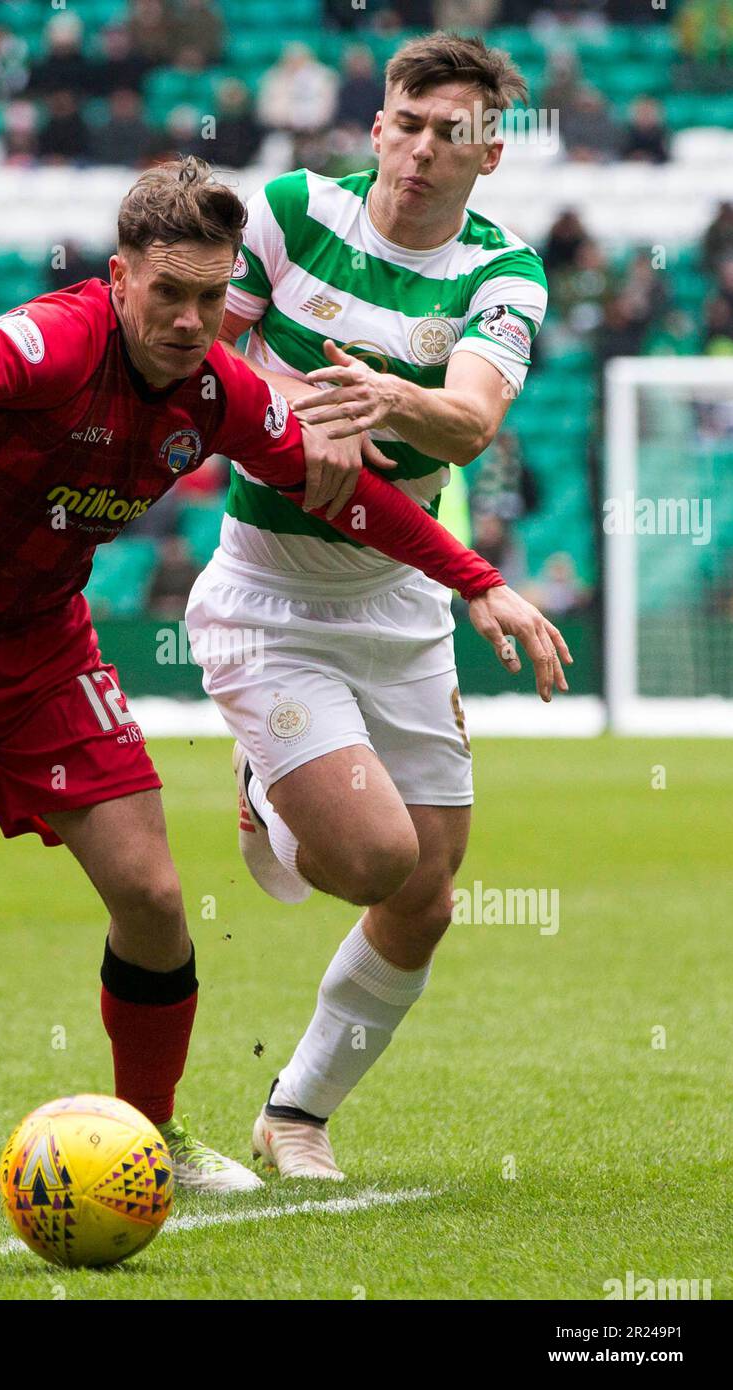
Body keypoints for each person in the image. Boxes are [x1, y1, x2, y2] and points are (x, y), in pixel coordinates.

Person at [0, 156, 565, 1194]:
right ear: (120, 277)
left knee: (155, 895)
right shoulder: (58, 341)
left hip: (43, 649)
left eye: (211, 297)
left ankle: (147, 1134)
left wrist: (478, 580)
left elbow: (333, 492)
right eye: (166, 293)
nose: (187, 319)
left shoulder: (215, 387)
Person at [184, 32, 567, 1179]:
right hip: (268, 588)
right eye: (405, 122)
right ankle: (268, 778)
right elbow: (196, 347)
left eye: (451, 132)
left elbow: (470, 424)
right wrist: (298, 409)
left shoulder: (505, 273)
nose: (419, 150)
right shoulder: (290, 212)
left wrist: (380, 396)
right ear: (377, 124)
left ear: (489, 154)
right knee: (369, 861)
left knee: (427, 898)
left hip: (402, 598)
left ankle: (294, 1112)